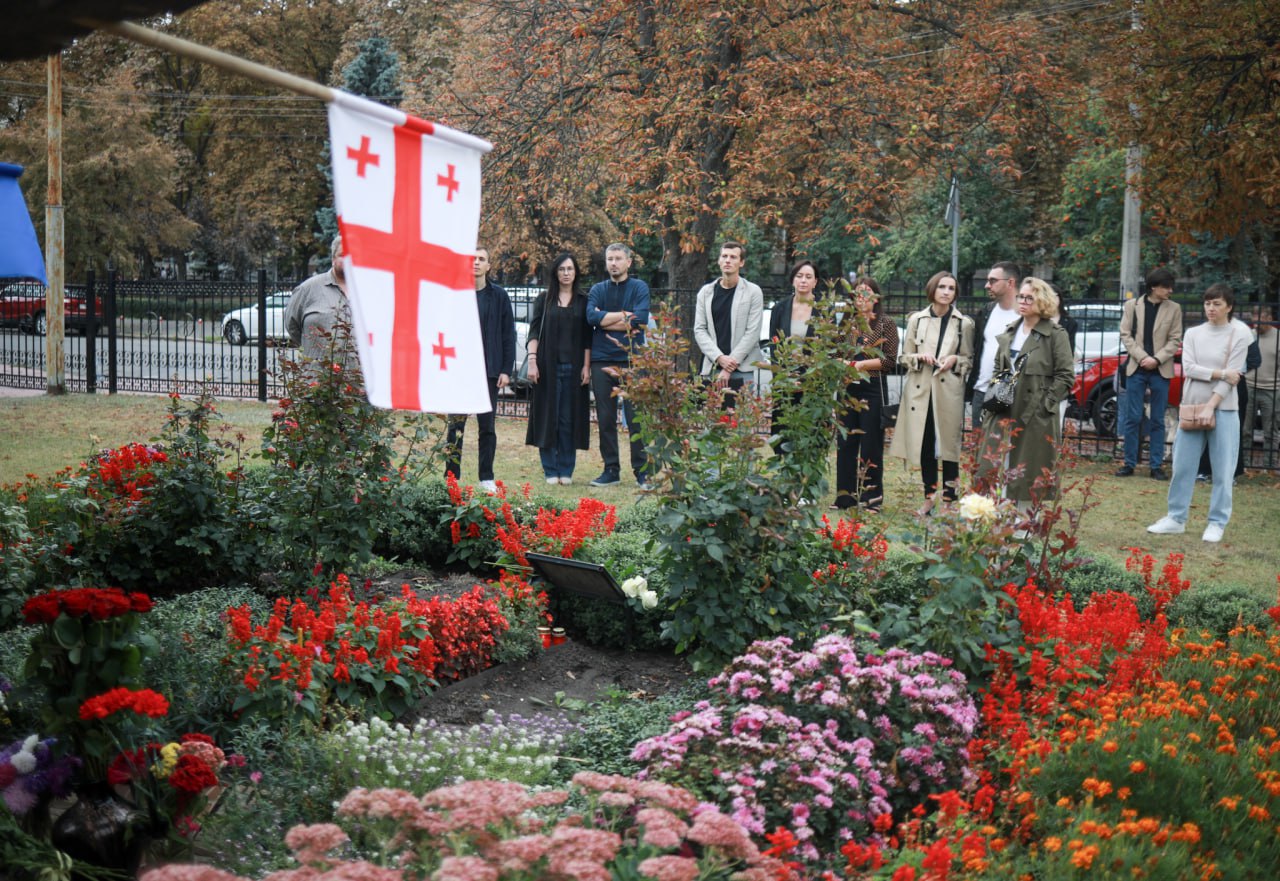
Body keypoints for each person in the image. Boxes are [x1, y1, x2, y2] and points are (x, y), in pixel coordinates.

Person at [1148, 284, 1251, 543]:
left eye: (1216, 303)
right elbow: (1190, 368)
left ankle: (1217, 522)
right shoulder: (1193, 333)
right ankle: (1176, 518)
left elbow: (1234, 377)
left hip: (1224, 409)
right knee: (1183, 465)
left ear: (1229, 306)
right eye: (1207, 303)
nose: (1210, 308)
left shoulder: (1240, 334)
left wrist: (1211, 405)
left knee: (1223, 469)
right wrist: (1218, 373)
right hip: (1192, 407)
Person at [978, 277, 1074, 512]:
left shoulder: (1055, 334)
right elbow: (999, 369)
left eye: (1029, 298)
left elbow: (1065, 376)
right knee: (993, 466)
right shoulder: (1011, 330)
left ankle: (1022, 529)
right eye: (1021, 296)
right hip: (1003, 408)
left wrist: (1045, 405)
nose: (1022, 301)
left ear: (1042, 301)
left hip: (1034, 414)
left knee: (1028, 471)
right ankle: (993, 525)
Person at [889, 270, 974, 516]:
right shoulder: (917, 319)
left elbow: (969, 359)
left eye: (951, 288)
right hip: (921, 390)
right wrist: (918, 357)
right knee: (925, 445)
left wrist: (954, 359)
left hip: (948, 390)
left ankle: (949, 500)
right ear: (933, 289)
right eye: (942, 287)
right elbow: (903, 357)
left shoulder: (964, 323)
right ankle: (929, 496)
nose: (947, 292)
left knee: (949, 446)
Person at [444, 247, 516, 493]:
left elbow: (508, 334)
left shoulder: (499, 296)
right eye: (471, 259)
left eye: (481, 259)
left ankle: (486, 476)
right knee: (456, 427)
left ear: (488, 266)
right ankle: (451, 475)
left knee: (487, 427)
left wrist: (506, 369)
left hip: (489, 371)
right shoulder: (455, 294)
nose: (475, 263)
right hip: (460, 371)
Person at [586, 243, 650, 489]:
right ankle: (611, 469)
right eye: (610, 258)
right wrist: (625, 318)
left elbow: (640, 319)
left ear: (628, 262)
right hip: (602, 361)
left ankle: (642, 472)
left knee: (636, 418)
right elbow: (591, 318)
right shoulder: (598, 289)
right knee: (605, 418)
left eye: (618, 258)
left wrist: (605, 320)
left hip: (632, 360)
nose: (614, 263)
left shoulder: (639, 287)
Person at [525, 253, 592, 485]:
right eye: (562, 269)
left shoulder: (584, 300)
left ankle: (566, 469)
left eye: (570, 269)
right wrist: (532, 361)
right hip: (546, 369)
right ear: (555, 272)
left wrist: (586, 366)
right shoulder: (544, 299)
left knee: (568, 420)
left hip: (573, 369)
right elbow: (533, 332)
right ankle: (550, 469)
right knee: (547, 418)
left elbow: (587, 337)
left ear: (576, 273)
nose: (566, 273)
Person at [834, 277, 898, 512]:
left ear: (876, 297)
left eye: (868, 292)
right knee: (846, 443)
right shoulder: (846, 324)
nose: (863, 297)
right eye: (858, 293)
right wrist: (844, 364)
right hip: (847, 388)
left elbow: (889, 360)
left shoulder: (885, 324)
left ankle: (872, 499)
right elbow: (833, 352)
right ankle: (844, 498)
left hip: (872, 387)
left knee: (871, 445)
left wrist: (860, 365)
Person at [1116, 267, 1183, 479]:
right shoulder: (1132, 306)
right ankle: (1129, 463)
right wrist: (1142, 357)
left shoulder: (1174, 308)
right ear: (1153, 286)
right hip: (1136, 368)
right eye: (1166, 286)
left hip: (1160, 370)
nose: (1170, 290)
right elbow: (1125, 334)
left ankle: (1156, 466)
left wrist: (1156, 359)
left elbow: (1175, 339)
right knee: (1132, 417)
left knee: (1158, 419)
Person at [693, 240, 764, 407]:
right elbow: (700, 329)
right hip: (712, 367)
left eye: (733, 257)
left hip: (742, 369)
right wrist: (719, 358)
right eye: (724, 256)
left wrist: (728, 366)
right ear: (718, 260)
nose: (728, 260)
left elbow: (753, 332)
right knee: (712, 424)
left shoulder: (753, 292)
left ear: (741, 262)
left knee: (739, 425)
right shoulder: (706, 292)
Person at [285, 235, 359, 377]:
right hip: (318, 380)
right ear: (333, 259)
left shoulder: (367, 292)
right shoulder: (308, 289)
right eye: (342, 255)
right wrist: (314, 346)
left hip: (357, 383)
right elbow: (292, 325)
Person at [767, 259, 820, 454]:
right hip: (785, 377)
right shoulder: (780, 308)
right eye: (799, 276)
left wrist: (806, 379)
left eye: (808, 277)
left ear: (815, 282)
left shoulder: (823, 310)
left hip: (812, 379)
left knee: (809, 431)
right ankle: (783, 475)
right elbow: (774, 344)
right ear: (792, 280)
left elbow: (828, 347)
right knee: (782, 430)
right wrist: (785, 376)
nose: (803, 281)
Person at [966, 261, 1022, 432]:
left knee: (1008, 450)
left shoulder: (1026, 314)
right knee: (980, 450)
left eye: (992, 281)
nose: (986, 285)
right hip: (981, 392)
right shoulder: (986, 311)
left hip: (1012, 394)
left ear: (1010, 283)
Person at [1251, 303, 1279, 466]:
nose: (1256, 322)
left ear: (1269, 319)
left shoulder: (1278, 337)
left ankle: (1270, 463)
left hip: (1272, 388)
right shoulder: (1249, 335)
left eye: (1260, 318)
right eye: (1254, 318)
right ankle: (1245, 462)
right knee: (1246, 429)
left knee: (1271, 430)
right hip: (1249, 385)